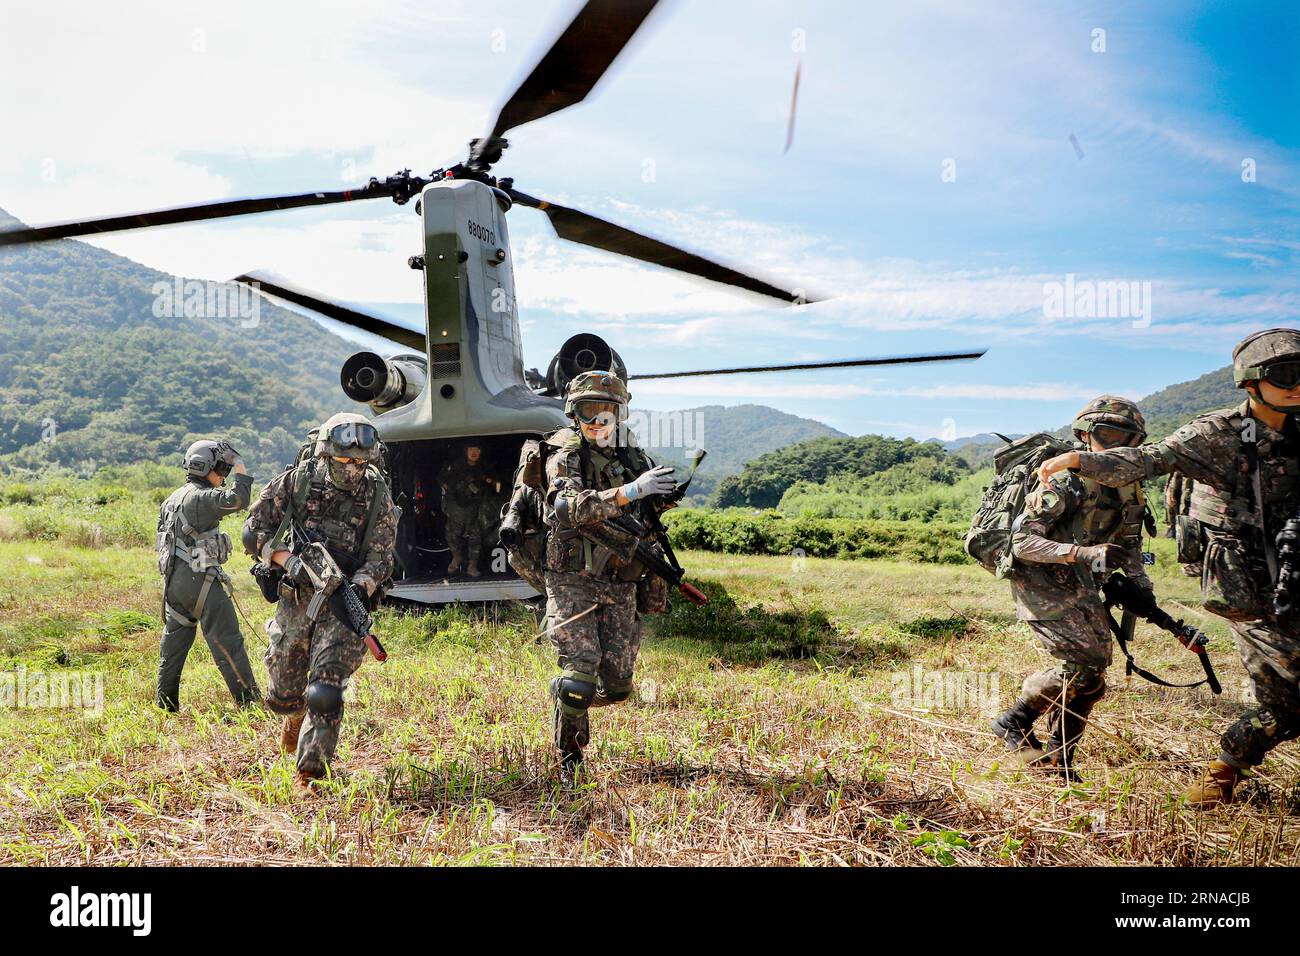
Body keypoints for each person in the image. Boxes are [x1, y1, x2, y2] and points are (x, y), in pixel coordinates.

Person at [1037, 329, 1300, 807]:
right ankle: (1224, 769)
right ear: (1250, 381)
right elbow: (1147, 461)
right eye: (1286, 375)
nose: (1298, 385)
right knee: (1289, 704)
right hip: (1256, 589)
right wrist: (1080, 461)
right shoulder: (1217, 434)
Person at [990, 396, 1153, 780]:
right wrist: (1081, 552)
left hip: (1083, 580)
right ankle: (1015, 722)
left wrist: (1141, 586)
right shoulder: (1064, 480)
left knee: (1091, 676)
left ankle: (1058, 756)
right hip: (1041, 579)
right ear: (1085, 435)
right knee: (1086, 666)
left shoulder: (1131, 486)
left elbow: (1130, 544)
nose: (1117, 444)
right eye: (1106, 434)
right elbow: (1022, 543)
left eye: (1127, 437)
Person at [243, 413, 398, 787]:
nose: (353, 469)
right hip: (296, 595)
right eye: (345, 461)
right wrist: (288, 560)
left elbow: (382, 559)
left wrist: (357, 590)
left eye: (360, 462)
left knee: (326, 688)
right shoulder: (298, 480)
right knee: (284, 690)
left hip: (341, 603)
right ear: (327, 455)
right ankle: (293, 716)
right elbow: (254, 531)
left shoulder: (377, 494)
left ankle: (311, 773)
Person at [541, 371, 676, 774]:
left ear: (620, 414)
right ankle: (570, 760)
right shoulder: (564, 454)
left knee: (617, 687)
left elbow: (647, 519)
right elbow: (571, 509)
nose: (597, 421)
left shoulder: (631, 457)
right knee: (580, 677)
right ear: (574, 415)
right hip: (573, 578)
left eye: (606, 411)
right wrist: (631, 491)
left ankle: (564, 693)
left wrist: (658, 500)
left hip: (620, 578)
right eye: (588, 411)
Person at [155, 439, 260, 711]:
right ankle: (249, 703)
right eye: (221, 469)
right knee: (228, 642)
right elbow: (239, 499)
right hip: (202, 581)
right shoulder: (201, 497)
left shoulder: (171, 499)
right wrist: (240, 465)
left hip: (174, 584)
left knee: (173, 647)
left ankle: (165, 704)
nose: (224, 476)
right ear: (206, 467)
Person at [438, 443, 498, 577]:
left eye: (477, 449)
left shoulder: (484, 467)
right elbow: (441, 479)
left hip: (475, 509)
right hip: (456, 508)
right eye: (471, 449)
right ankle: (457, 557)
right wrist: (449, 488)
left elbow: (496, 485)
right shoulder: (455, 466)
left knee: (475, 537)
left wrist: (488, 482)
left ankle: (472, 566)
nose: (474, 452)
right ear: (465, 451)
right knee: (452, 534)